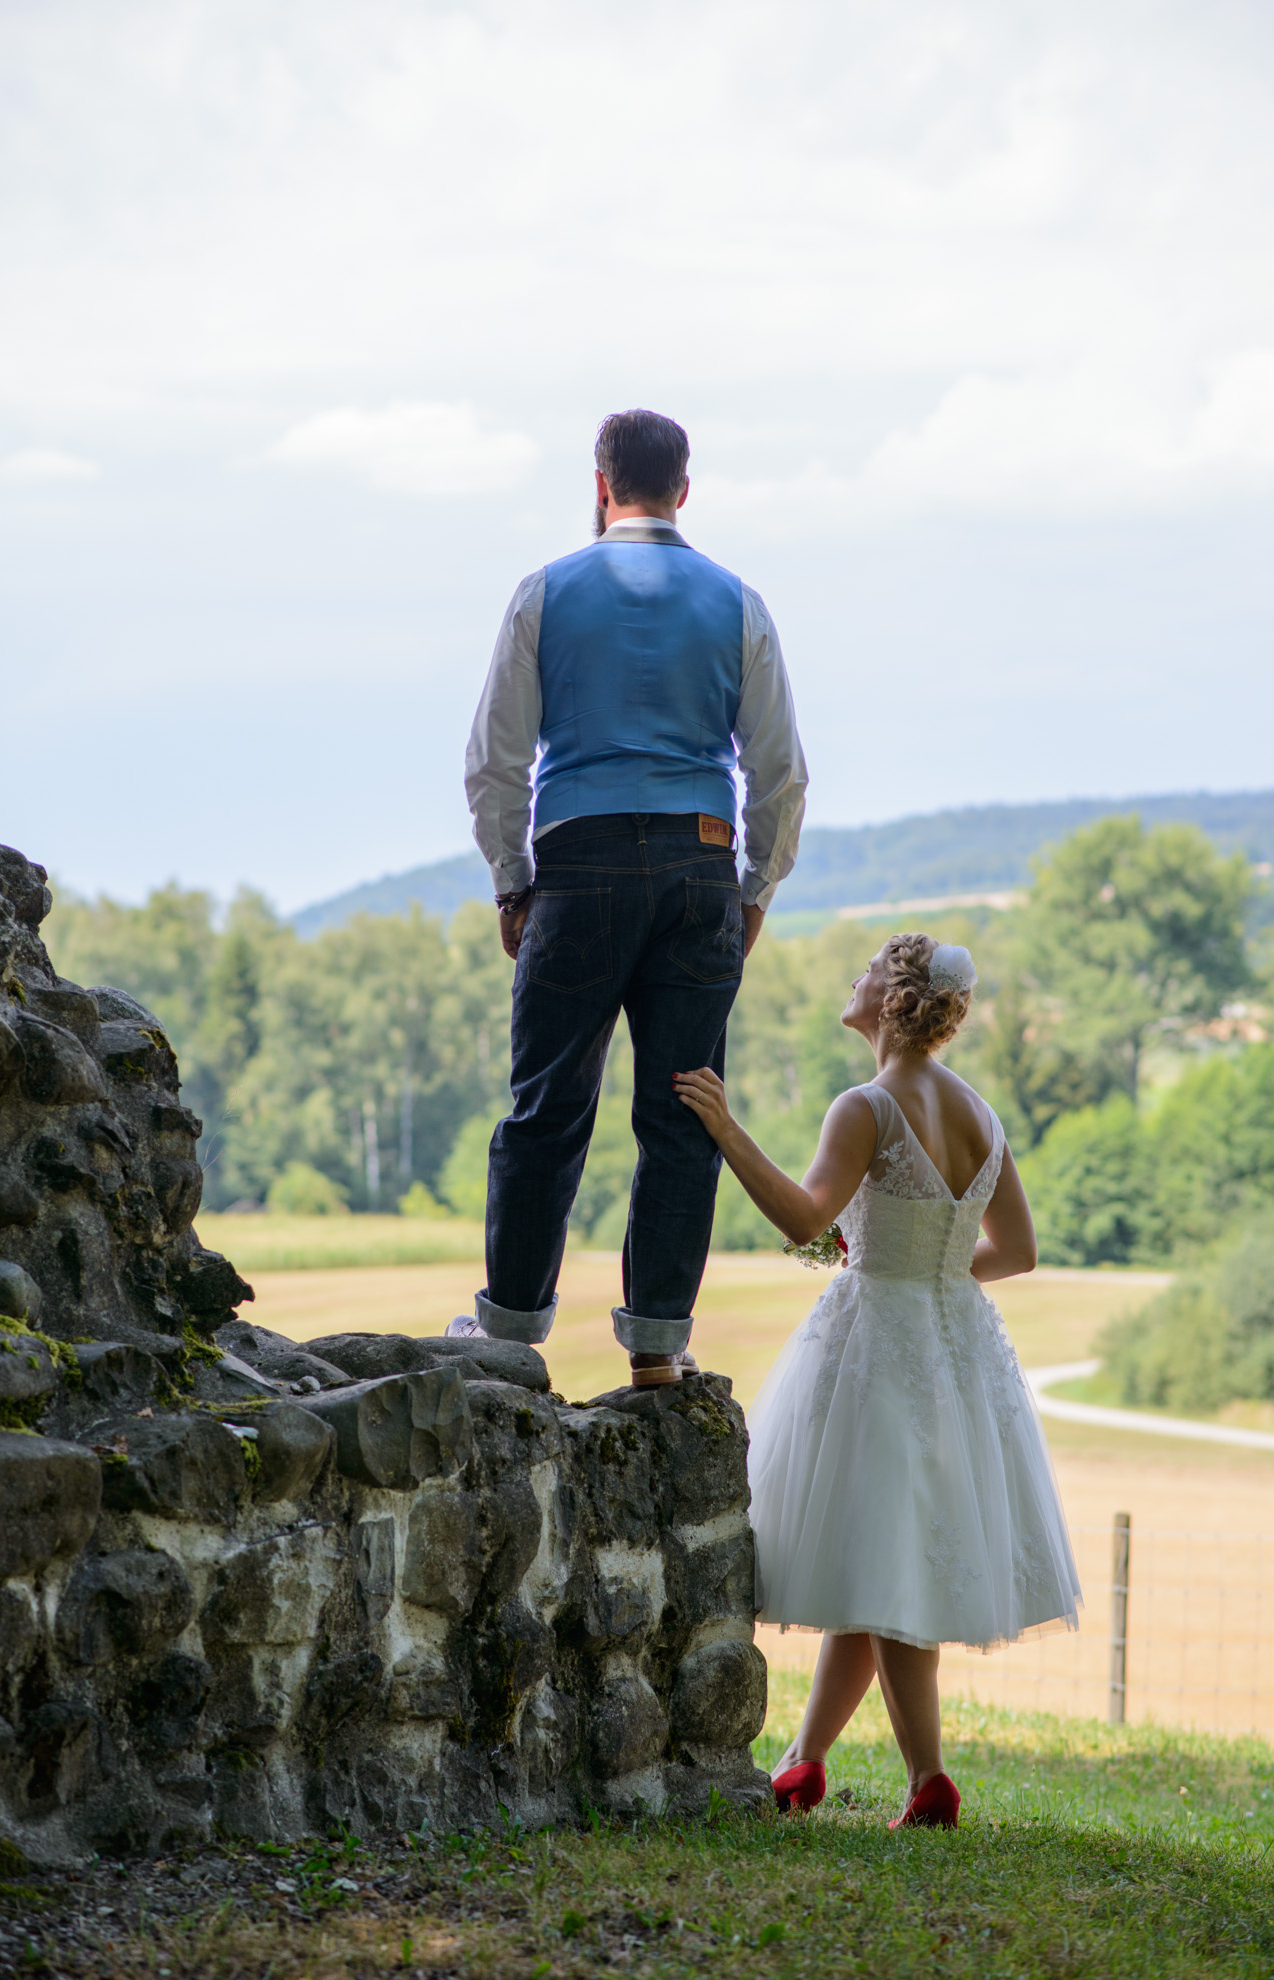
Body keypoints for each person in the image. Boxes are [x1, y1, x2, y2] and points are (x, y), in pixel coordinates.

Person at [673, 933, 1081, 1826]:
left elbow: (802, 1217)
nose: (848, 979)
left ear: (893, 1000)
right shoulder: (980, 1112)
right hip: (956, 1344)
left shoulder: (865, 1105)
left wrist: (724, 1129)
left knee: (889, 1567)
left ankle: (929, 1780)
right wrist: (927, 1273)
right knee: (874, 1556)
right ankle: (804, 1763)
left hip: (875, 1344)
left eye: (862, 970)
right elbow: (1015, 1251)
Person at [459, 408, 807, 1386]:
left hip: (577, 867)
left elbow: (496, 761)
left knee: (546, 1110)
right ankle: (656, 1353)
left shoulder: (544, 594)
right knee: (681, 1116)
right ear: (684, 489)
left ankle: (510, 1337)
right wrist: (752, 892)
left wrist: (511, 883)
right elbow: (779, 774)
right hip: (699, 869)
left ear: (600, 483)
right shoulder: (738, 603)